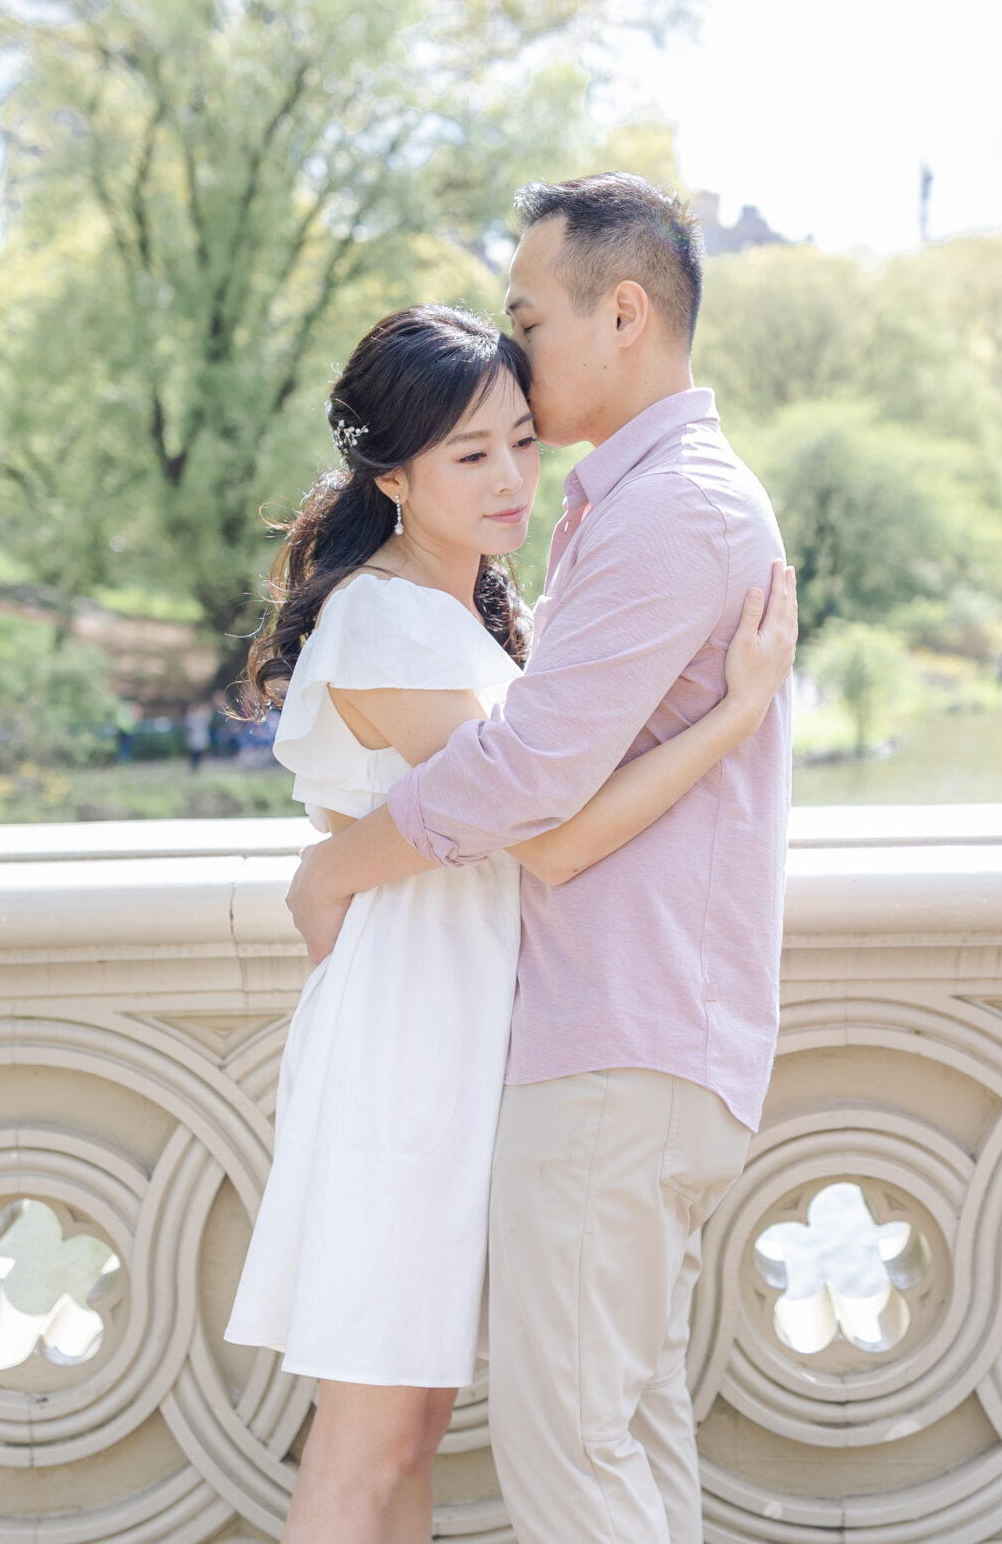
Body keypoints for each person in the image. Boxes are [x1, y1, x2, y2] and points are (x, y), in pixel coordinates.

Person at [227, 299, 795, 1544]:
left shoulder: (473, 616)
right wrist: (731, 720)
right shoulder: (384, 621)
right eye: (470, 455)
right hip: (410, 1036)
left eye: (523, 445)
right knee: (371, 1431)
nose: (511, 482)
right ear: (392, 472)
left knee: (418, 1425)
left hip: (479, 1026)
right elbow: (549, 833)